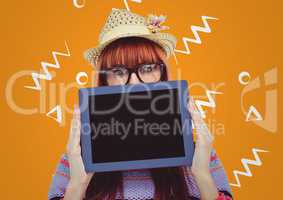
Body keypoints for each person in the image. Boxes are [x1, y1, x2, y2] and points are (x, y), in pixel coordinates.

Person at [48, 8, 233, 200]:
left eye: (147, 68)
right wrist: (78, 185)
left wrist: (202, 176)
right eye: (119, 71)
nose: (134, 83)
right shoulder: (76, 158)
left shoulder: (200, 154)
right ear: (105, 81)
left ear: (162, 74)